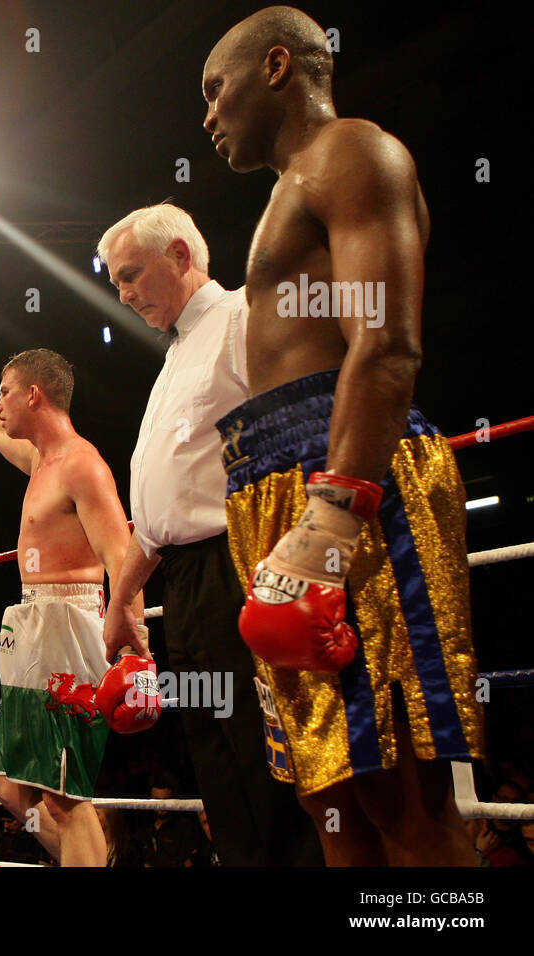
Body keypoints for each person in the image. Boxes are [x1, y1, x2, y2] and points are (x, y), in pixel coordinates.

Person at [201, 5, 483, 865]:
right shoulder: (285, 192)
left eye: (217, 91)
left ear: (278, 66)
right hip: (271, 478)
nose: (207, 116)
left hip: (345, 472)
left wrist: (333, 514)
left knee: (400, 800)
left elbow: (387, 339)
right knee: (334, 804)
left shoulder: (350, 151)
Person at [96, 203, 321, 866]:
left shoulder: (243, 318)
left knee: (261, 751)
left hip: (242, 564)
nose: (124, 293)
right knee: (214, 755)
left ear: (180, 258)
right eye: (115, 283)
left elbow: (307, 442)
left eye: (132, 274)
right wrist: (122, 600)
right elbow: (163, 512)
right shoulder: (176, 356)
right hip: (188, 585)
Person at [0, 345, 144, 867]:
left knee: (66, 799)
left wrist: (137, 652)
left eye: (4, 392)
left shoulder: (82, 465)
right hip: (33, 626)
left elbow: (122, 557)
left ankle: (86, 855)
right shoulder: (40, 459)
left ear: (33, 394)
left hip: (70, 628)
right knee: (7, 787)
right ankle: (86, 857)